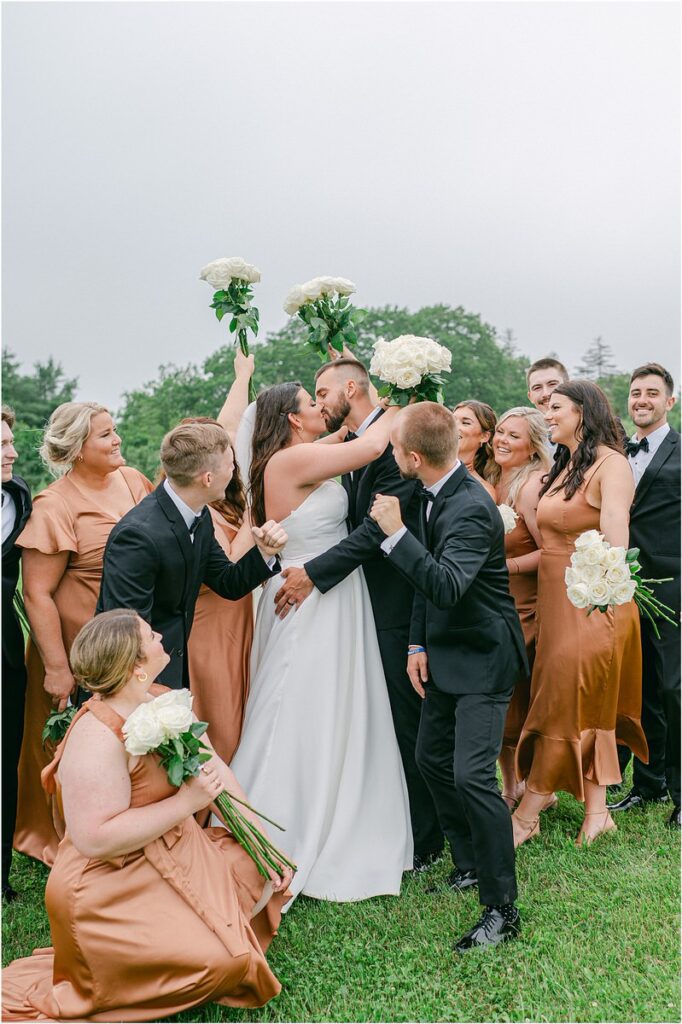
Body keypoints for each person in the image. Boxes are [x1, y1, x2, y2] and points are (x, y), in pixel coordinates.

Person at [1, 609, 291, 1022]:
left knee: (254, 872)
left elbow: (216, 770)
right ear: (136, 665)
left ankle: (186, 931)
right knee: (221, 963)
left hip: (174, 853)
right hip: (109, 885)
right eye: (149, 635)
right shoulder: (95, 736)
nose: (159, 635)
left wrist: (262, 843)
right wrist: (185, 805)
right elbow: (94, 838)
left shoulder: (160, 700)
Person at [231, 382, 413, 906]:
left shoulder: (304, 453)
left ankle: (340, 810)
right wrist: (405, 387)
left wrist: (361, 399)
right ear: (292, 420)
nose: (320, 407)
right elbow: (373, 445)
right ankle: (283, 820)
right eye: (311, 403)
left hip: (332, 593)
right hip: (307, 598)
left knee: (336, 704)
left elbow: (347, 433)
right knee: (300, 706)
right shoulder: (291, 463)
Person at [271, 357, 443, 871]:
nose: (320, 402)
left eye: (323, 391)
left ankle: (425, 837)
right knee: (380, 716)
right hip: (354, 600)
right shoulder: (357, 439)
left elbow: (375, 530)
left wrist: (316, 573)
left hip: (391, 599)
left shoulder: (391, 443)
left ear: (352, 387)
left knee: (405, 720)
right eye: (314, 397)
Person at [370, 402, 527, 952]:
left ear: (415, 456)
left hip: (484, 656)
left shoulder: (469, 508)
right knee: (430, 758)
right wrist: (417, 642)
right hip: (442, 651)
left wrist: (393, 535)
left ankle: (501, 908)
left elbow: (444, 585)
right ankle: (465, 863)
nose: (391, 458)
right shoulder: (432, 492)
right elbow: (425, 590)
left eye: (394, 450)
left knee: (471, 777)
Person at [15, 402, 153, 867]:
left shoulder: (133, 481)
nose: (117, 440)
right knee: (68, 740)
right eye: (105, 436)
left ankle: (122, 827)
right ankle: (62, 838)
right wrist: (57, 666)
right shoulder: (55, 505)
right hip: (74, 646)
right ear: (76, 450)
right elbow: (36, 592)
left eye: (114, 432)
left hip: (126, 640)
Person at [514, 380, 648, 846]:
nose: (547, 414)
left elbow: (616, 537)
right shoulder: (567, 465)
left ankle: (530, 806)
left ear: (583, 413)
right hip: (554, 600)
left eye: (556, 408)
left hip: (594, 605)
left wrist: (603, 596)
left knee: (564, 702)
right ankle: (597, 811)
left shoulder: (612, 466)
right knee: (578, 703)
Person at [98, 421, 287, 688]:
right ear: (207, 478)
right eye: (230, 463)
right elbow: (127, 634)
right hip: (136, 682)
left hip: (171, 668)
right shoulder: (137, 537)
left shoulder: (199, 513)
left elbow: (227, 581)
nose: (234, 470)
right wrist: (156, 695)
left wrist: (264, 553)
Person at [609, 363, 680, 828]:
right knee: (642, 688)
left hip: (673, 586)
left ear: (669, 402)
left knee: (675, 689)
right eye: (636, 393)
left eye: (652, 394)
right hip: (624, 587)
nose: (642, 401)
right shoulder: (617, 452)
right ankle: (648, 784)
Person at [488, 407, 551, 809]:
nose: (501, 440)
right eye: (499, 431)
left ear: (532, 447)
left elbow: (551, 551)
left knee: (521, 701)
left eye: (513, 435)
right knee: (503, 702)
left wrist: (504, 566)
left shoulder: (531, 487)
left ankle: (533, 787)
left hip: (525, 606)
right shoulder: (494, 478)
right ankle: (510, 785)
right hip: (498, 603)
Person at [2, 407, 32, 901]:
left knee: (5, 753)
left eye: (9, 442)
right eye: (2, 447)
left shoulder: (18, 495)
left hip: (4, 641)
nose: (12, 453)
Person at [452, 400, 497, 498]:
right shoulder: (423, 467)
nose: (454, 426)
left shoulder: (483, 490)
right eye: (452, 420)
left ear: (484, 436)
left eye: (466, 423)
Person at [526, 358, 570, 455]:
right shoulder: (526, 438)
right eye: (537, 388)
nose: (546, 393)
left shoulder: (594, 433)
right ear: (530, 397)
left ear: (569, 387)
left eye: (552, 384)